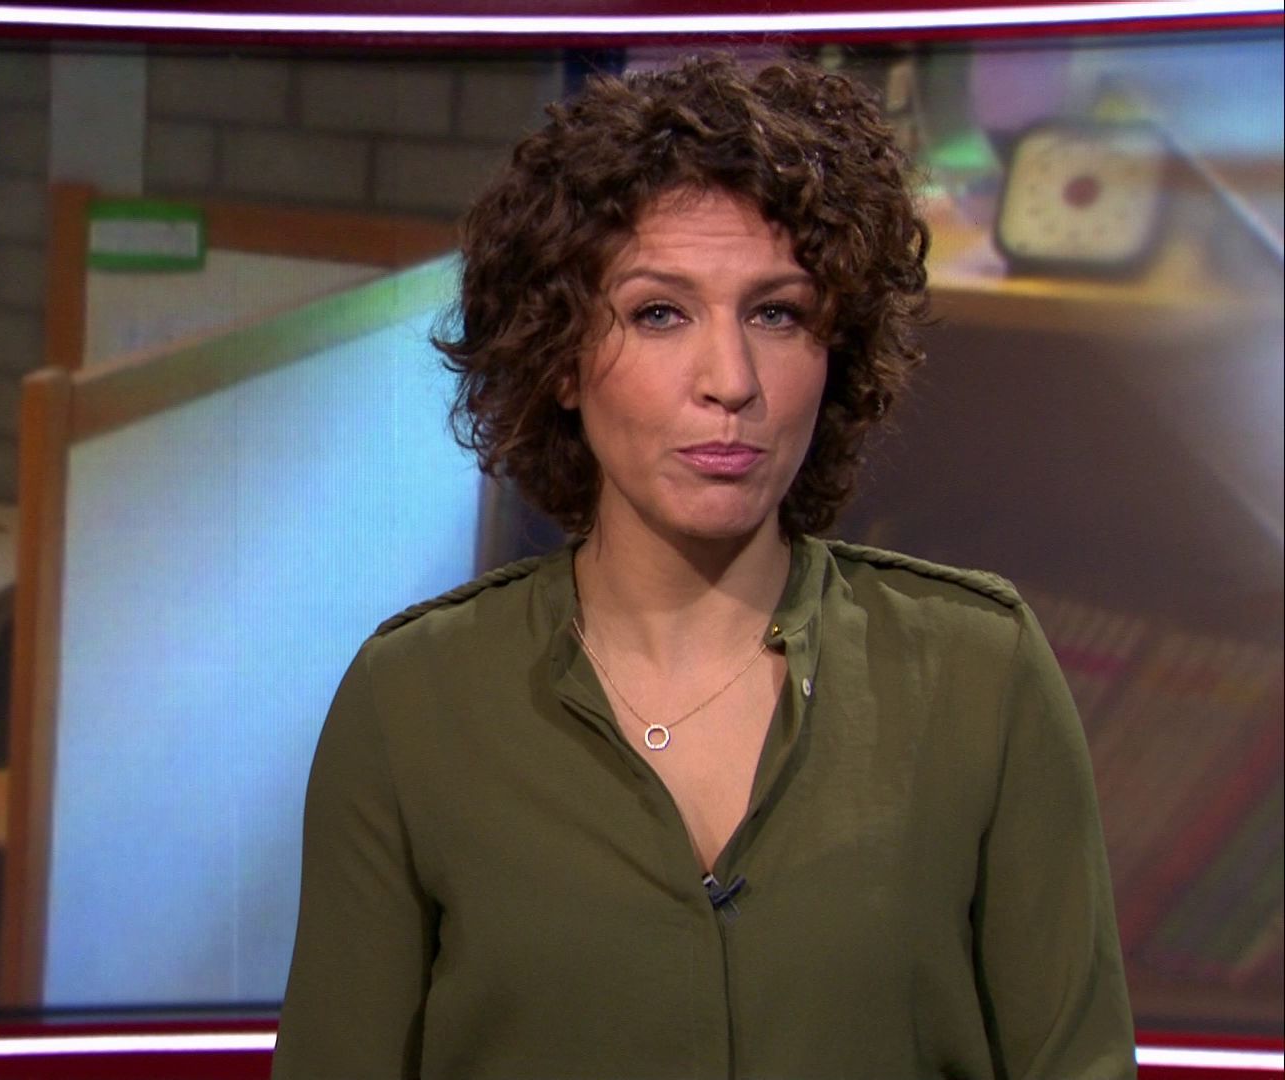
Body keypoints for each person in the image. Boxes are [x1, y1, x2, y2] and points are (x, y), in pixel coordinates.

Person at [272, 57, 1134, 1079]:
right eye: (659, 314)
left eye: (777, 314)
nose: (730, 381)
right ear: (559, 357)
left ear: (837, 350)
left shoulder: (980, 676)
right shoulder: (413, 702)